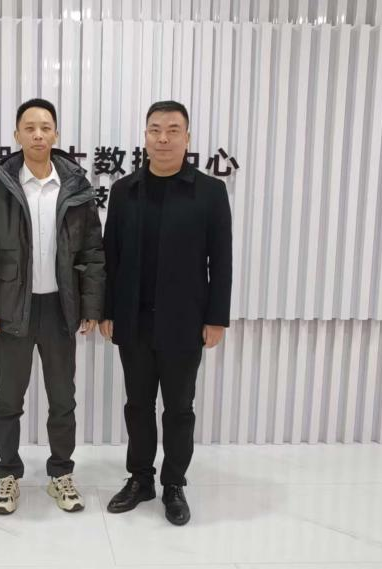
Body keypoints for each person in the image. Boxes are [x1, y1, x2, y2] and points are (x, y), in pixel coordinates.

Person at [0, 98, 105, 515]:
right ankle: (8, 475)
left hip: (60, 309)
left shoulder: (76, 186)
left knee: (63, 398)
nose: (38, 134)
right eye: (29, 128)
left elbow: (93, 252)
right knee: (9, 399)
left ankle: (61, 473)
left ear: (56, 134)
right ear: (17, 135)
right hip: (14, 309)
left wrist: (90, 306)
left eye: (46, 127)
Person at [101, 100, 232, 526]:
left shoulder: (210, 192)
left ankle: (174, 483)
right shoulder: (124, 190)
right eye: (155, 129)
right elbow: (111, 255)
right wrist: (107, 310)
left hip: (184, 320)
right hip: (134, 319)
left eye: (173, 130)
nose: (163, 138)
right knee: (138, 404)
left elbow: (221, 260)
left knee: (179, 408)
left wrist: (216, 317)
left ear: (187, 138)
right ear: (145, 137)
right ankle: (140, 479)